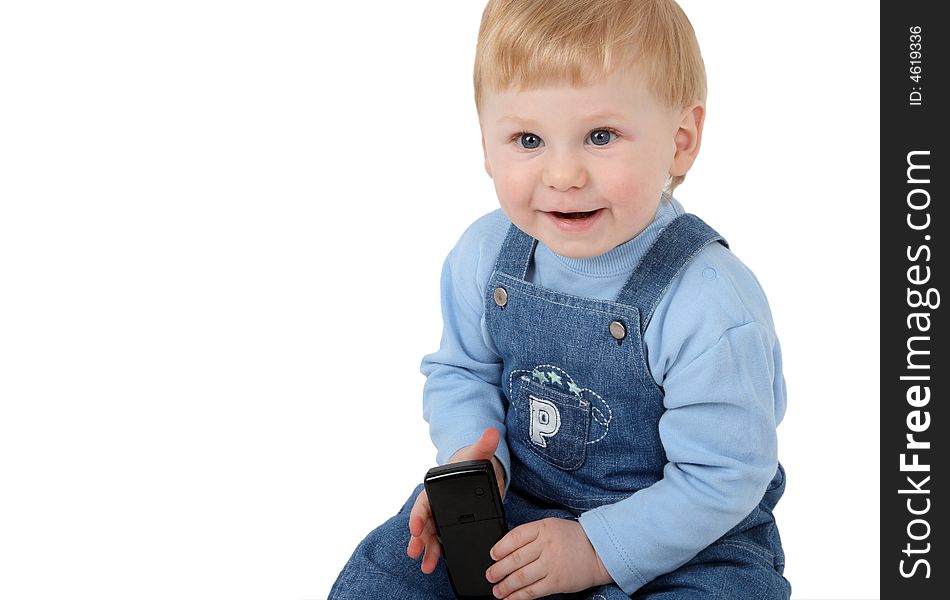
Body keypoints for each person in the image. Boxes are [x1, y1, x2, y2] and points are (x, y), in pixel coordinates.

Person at [330, 0, 790, 597]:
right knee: (393, 568)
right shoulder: (485, 252)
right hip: (521, 509)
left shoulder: (707, 302)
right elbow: (461, 372)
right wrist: (474, 463)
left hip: (689, 539)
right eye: (528, 139)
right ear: (486, 147)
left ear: (680, 141)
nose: (564, 173)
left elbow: (724, 477)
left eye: (600, 136)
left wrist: (596, 549)